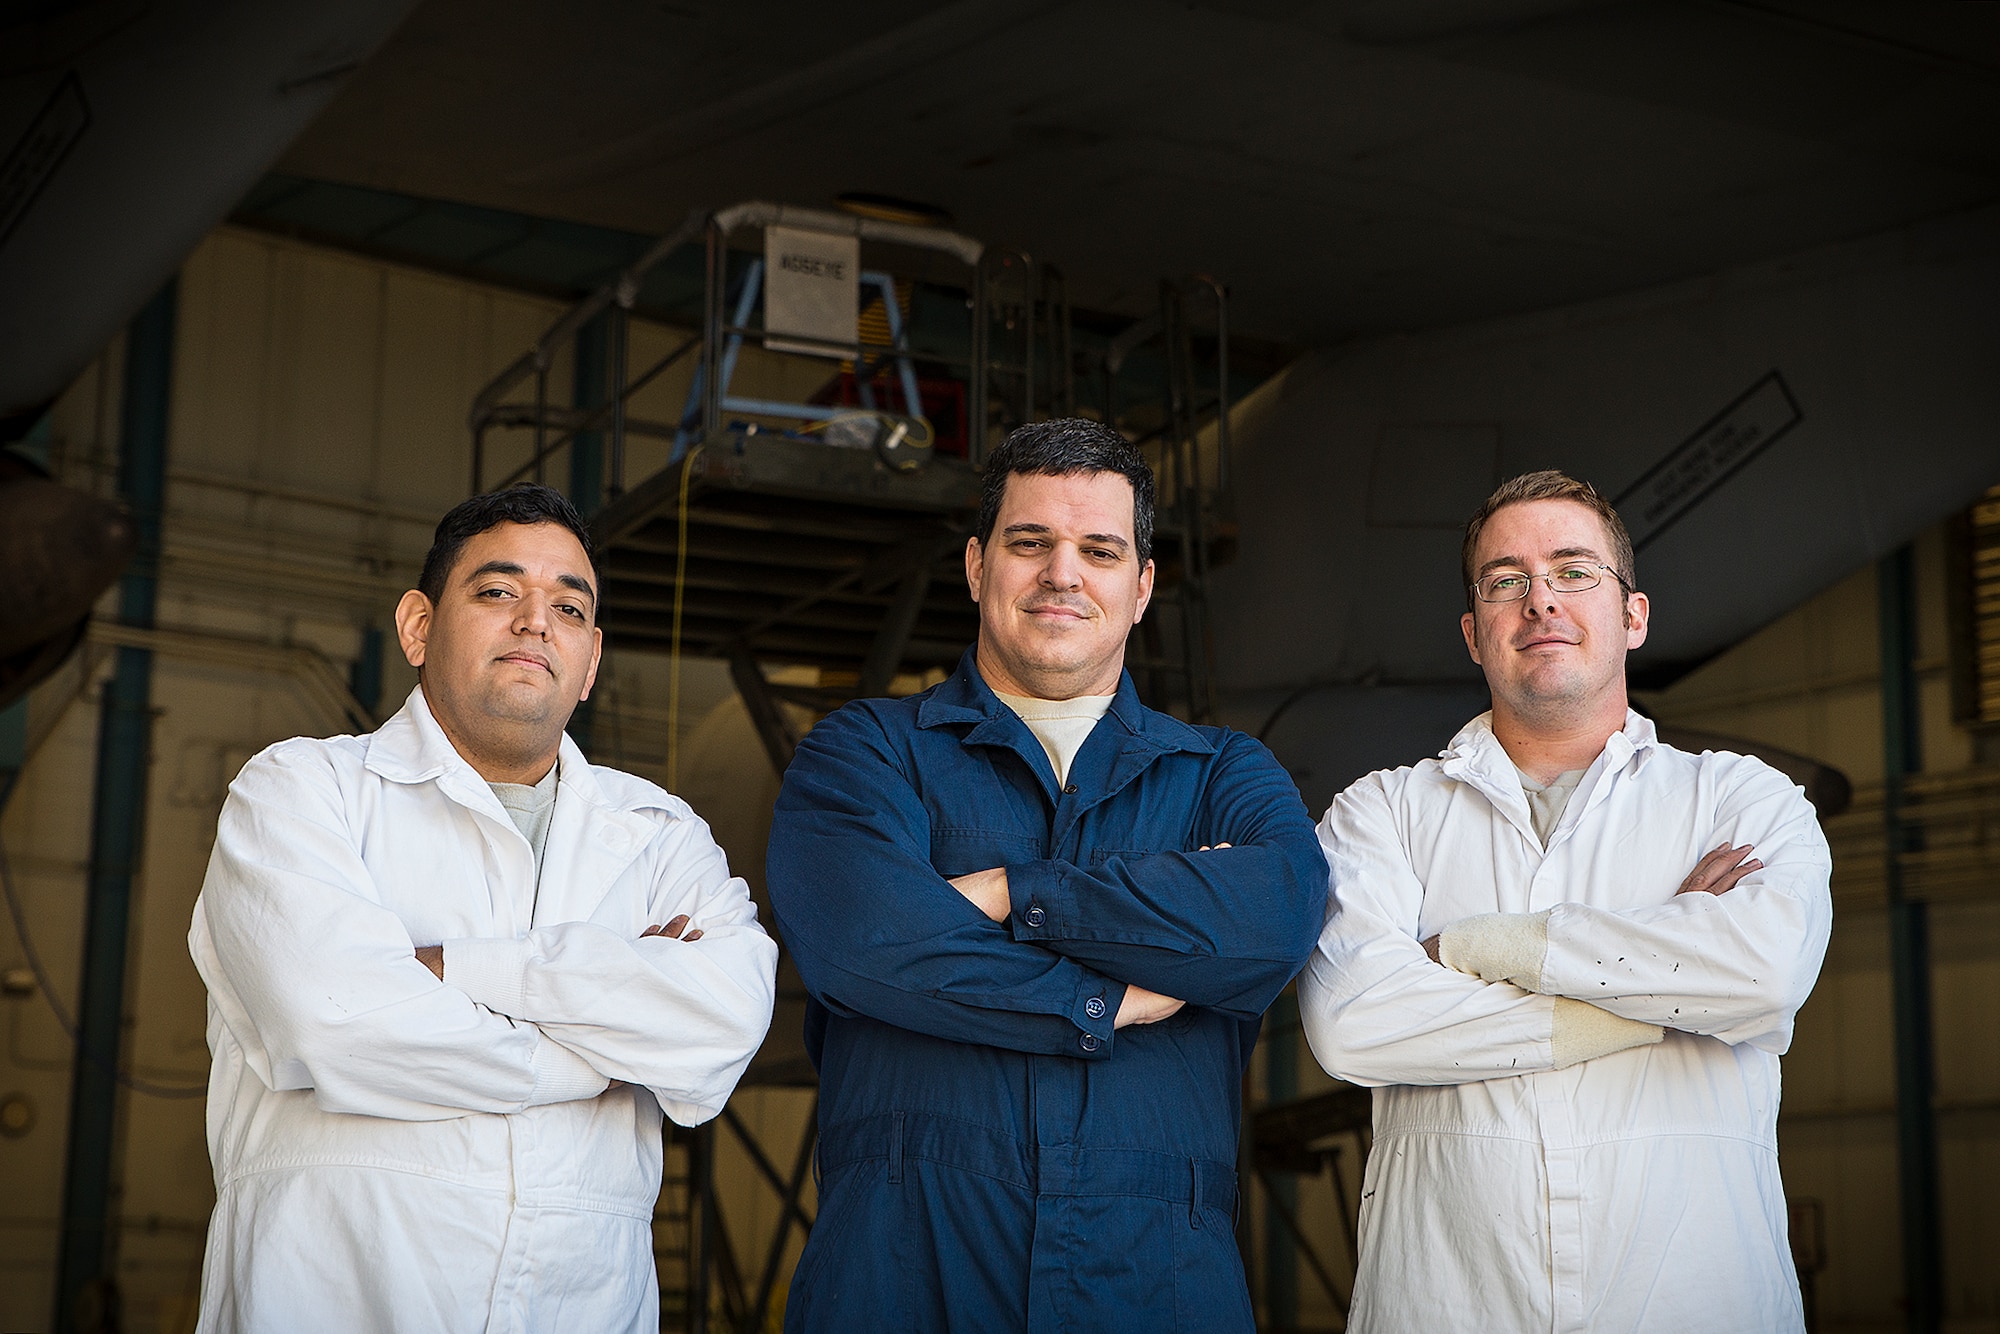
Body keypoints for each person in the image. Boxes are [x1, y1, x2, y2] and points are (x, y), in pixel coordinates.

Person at [766, 418, 1328, 1332]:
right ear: (977, 565)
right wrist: (1100, 998)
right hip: (906, 1278)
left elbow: (1273, 921)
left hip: (1155, 1287)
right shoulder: (866, 753)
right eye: (1031, 542)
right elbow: (863, 948)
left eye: (1099, 550)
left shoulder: (1223, 774)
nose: (1062, 572)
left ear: (1143, 587)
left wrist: (1008, 895)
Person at [188, 484, 777, 1333]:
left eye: (569, 608)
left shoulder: (659, 834)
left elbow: (723, 1023)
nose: (537, 622)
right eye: (499, 592)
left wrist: (454, 970)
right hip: (334, 1301)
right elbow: (337, 1025)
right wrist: (608, 1055)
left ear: (592, 662)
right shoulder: (299, 792)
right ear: (418, 627)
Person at [1298, 469, 1833, 1333]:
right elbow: (1353, 1023)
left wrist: (1477, 945)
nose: (1539, 599)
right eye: (1506, 580)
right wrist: (1665, 991)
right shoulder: (1383, 812)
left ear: (1634, 615)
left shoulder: (1741, 801)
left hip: (1695, 1302)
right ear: (1475, 634)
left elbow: (1763, 975)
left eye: (1574, 571)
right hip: (1448, 1307)